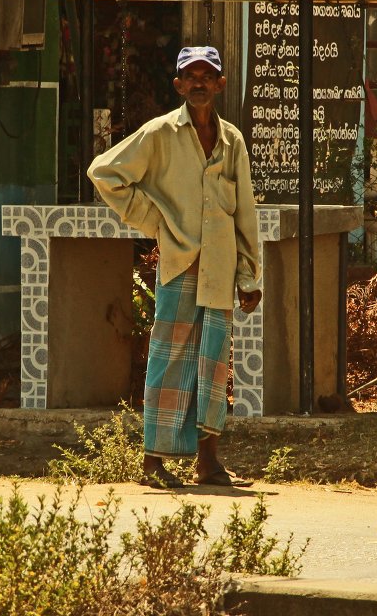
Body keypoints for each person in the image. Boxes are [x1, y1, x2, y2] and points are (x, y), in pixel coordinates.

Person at [88, 45, 262, 489]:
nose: (200, 82)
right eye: (192, 76)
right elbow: (104, 173)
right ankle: (154, 464)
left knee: (213, 366)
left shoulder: (232, 141)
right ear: (179, 85)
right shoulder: (159, 134)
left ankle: (208, 462)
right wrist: (155, 221)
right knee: (168, 363)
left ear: (221, 84)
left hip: (221, 271)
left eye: (208, 75)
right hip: (180, 266)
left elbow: (245, 214)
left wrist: (250, 275)